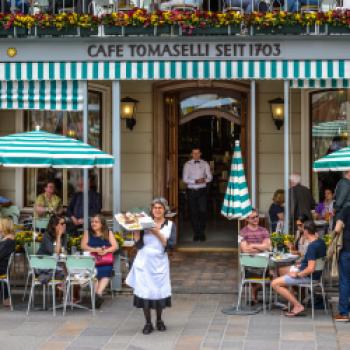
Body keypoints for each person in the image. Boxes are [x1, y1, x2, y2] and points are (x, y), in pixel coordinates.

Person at [126, 198, 176, 335]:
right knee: (145, 292)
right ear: (151, 210)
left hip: (160, 262)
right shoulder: (144, 224)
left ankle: (159, 320)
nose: (157, 210)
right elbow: (139, 245)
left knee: (159, 292)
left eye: (160, 208)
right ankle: (148, 323)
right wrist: (136, 231)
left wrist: (156, 232)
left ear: (164, 210)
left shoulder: (170, 225)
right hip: (144, 261)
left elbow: (170, 245)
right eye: (155, 208)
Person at [271, 221, 326, 317]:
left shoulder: (312, 247)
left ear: (306, 231)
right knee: (282, 270)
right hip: (315, 274)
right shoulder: (321, 242)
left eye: (303, 230)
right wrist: (299, 266)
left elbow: (310, 269)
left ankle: (297, 305)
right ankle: (292, 299)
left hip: (309, 276)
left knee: (274, 283)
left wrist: (297, 274)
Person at [81, 214, 118, 308]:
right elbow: (83, 246)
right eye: (92, 222)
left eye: (96, 222)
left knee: (106, 271)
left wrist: (106, 250)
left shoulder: (108, 233)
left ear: (102, 224)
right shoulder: (87, 232)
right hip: (91, 261)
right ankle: (97, 297)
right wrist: (95, 250)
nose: (93, 223)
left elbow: (115, 246)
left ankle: (98, 294)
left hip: (105, 260)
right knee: (94, 274)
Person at [239, 209, 271, 304]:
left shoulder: (264, 230)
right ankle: (254, 295)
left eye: (257, 216)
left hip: (264, 264)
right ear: (247, 219)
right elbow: (244, 249)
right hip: (250, 265)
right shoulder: (242, 232)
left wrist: (252, 246)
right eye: (253, 217)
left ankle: (254, 295)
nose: (256, 219)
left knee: (275, 275)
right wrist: (261, 248)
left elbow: (268, 246)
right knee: (268, 275)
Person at [182, 147, 212, 242]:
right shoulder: (187, 165)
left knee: (203, 211)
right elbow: (185, 179)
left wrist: (204, 180)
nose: (196, 155)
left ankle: (202, 232)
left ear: (200, 154)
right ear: (191, 154)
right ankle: (196, 233)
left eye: (197, 153)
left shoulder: (205, 163)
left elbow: (210, 177)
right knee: (193, 213)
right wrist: (195, 181)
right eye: (194, 153)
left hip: (202, 191)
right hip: (191, 191)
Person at [333, 206, 350, 321]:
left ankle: (344, 313)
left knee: (345, 281)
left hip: (347, 250)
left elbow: (338, 228)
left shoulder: (346, 210)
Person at [0, 218, 16, 307]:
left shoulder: (8, 241)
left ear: (4, 227)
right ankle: (6, 299)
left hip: (2, 268)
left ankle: (6, 299)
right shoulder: (7, 239)